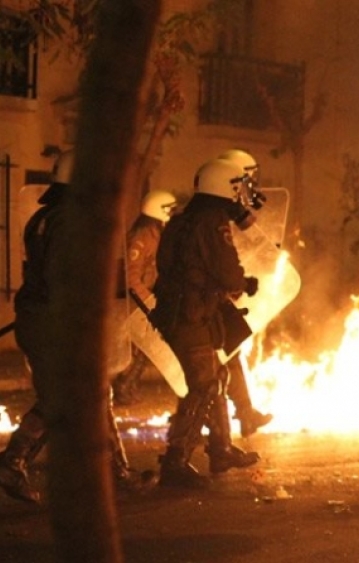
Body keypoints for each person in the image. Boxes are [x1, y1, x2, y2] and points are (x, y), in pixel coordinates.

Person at [0, 150, 148, 503]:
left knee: (92, 392)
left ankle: (115, 472)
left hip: (41, 317)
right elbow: (64, 276)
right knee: (63, 398)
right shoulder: (69, 221)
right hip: (57, 322)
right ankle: (12, 462)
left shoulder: (45, 216)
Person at [150, 158, 261, 488]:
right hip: (193, 315)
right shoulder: (213, 221)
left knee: (217, 376)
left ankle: (221, 449)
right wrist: (244, 283)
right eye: (236, 188)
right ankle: (176, 461)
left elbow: (167, 265)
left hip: (179, 311)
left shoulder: (181, 220)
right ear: (224, 188)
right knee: (203, 385)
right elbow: (227, 270)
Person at [218, 148, 272, 437]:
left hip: (218, 296)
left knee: (228, 355)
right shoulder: (214, 216)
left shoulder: (222, 211)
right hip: (205, 299)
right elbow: (221, 257)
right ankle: (207, 441)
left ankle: (244, 417)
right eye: (245, 180)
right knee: (206, 373)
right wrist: (238, 282)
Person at [111, 189, 177, 406]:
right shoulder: (143, 235)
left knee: (146, 347)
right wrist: (148, 300)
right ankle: (123, 386)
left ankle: (126, 385)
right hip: (137, 300)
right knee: (141, 346)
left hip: (144, 297)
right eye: (169, 209)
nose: (172, 213)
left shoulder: (154, 232)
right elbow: (132, 275)